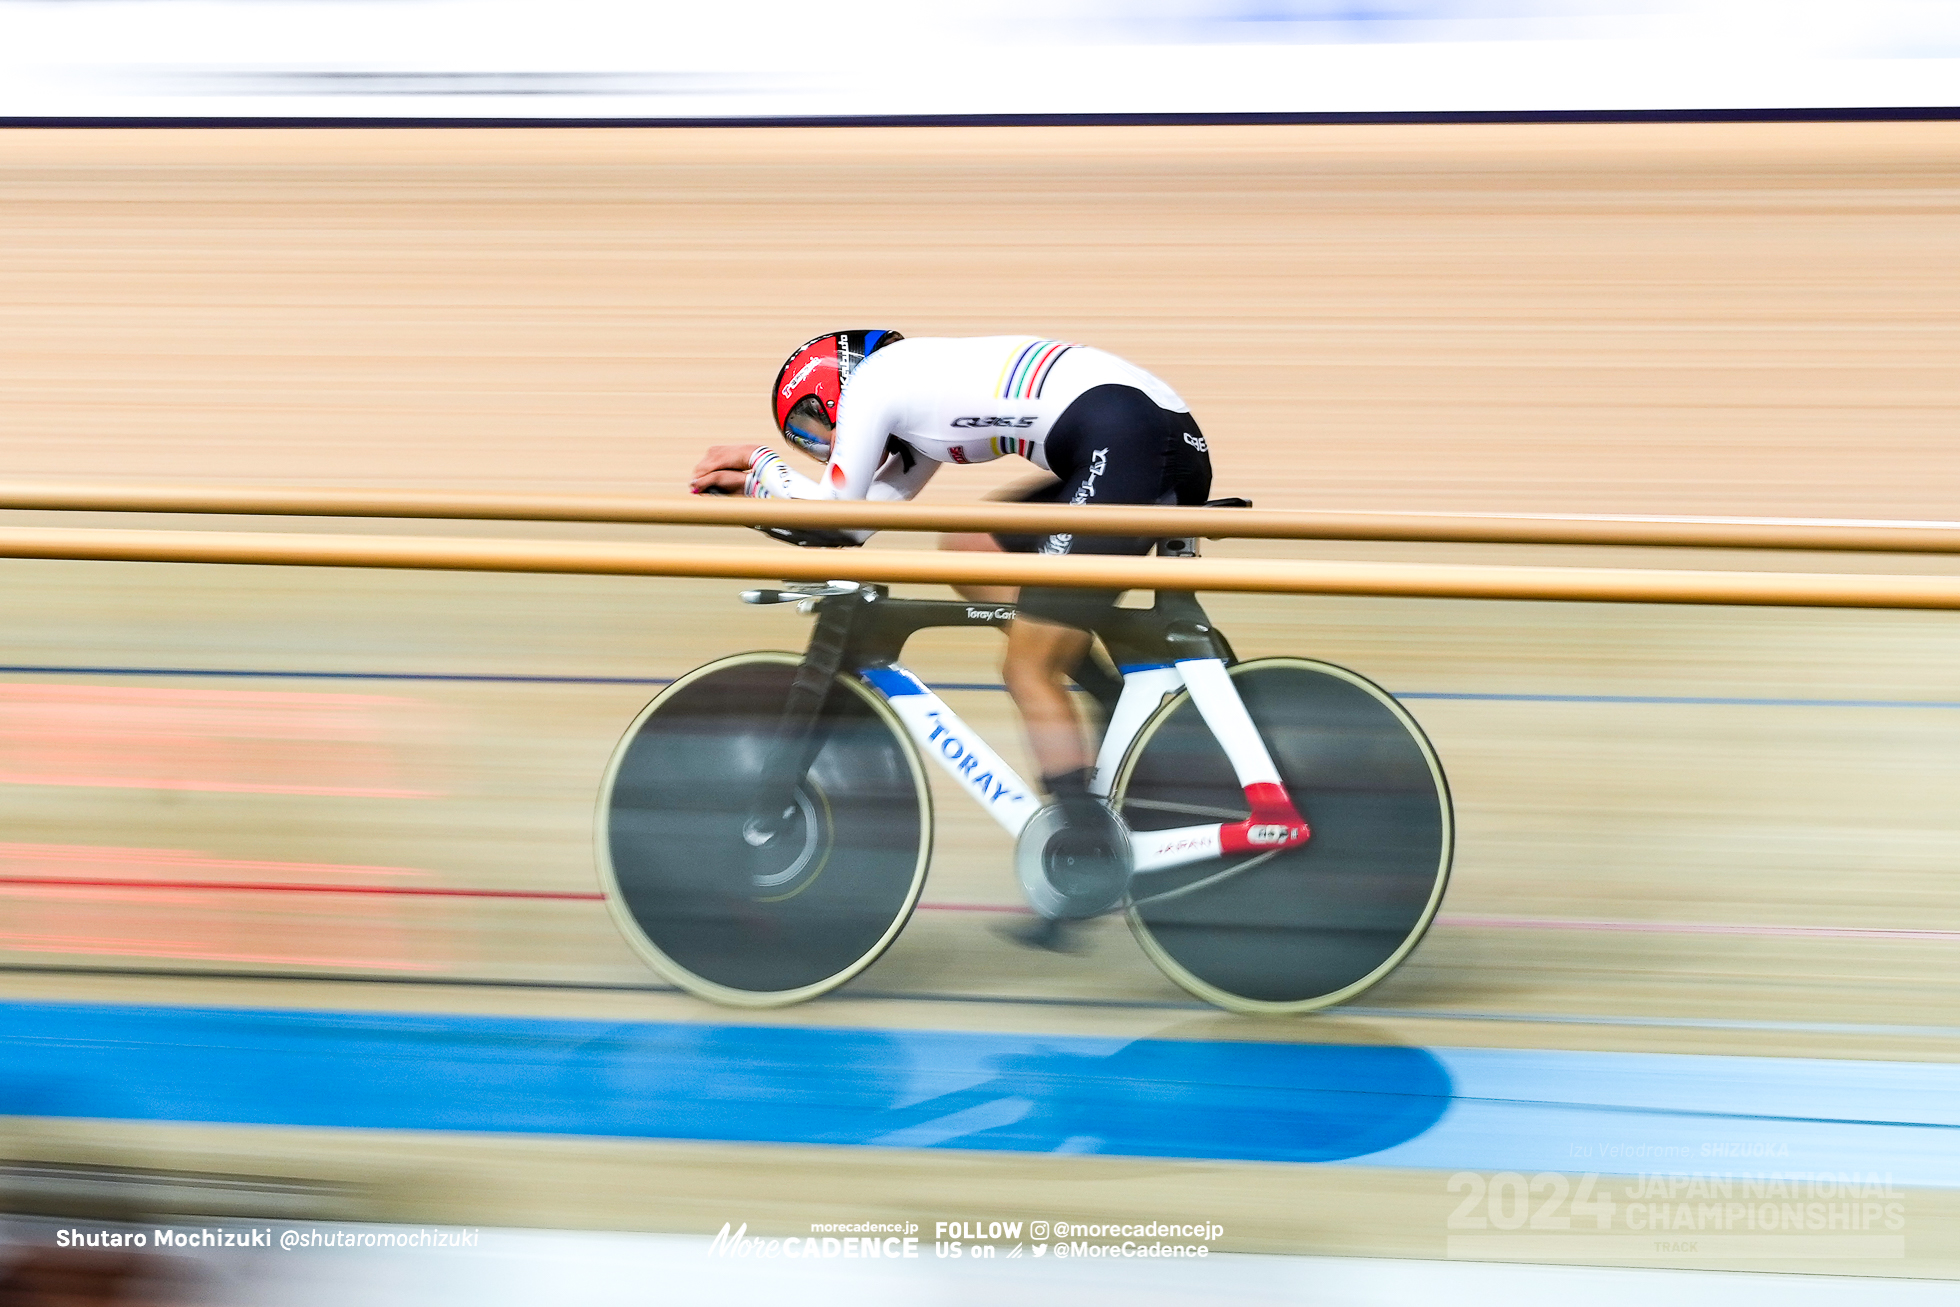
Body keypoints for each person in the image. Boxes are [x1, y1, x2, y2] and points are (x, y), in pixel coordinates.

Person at [690, 331, 1214, 928]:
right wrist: (758, 495)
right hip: (1141, 431)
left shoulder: (874, 382)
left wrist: (759, 465)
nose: (823, 444)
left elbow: (831, 509)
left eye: (813, 426)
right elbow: (847, 531)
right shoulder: (915, 413)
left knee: (1026, 666)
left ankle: (1086, 852)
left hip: (1127, 437)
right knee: (972, 547)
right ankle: (1102, 693)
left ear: (829, 388)